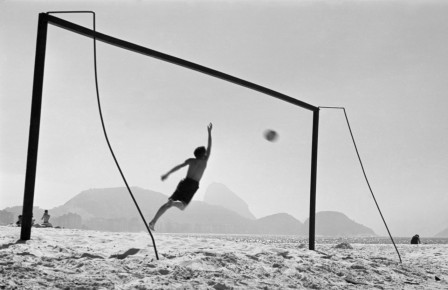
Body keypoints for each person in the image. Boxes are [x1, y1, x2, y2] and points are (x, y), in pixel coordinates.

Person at [148, 123, 213, 231]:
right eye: (205, 152)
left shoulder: (191, 160)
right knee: (182, 206)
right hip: (193, 185)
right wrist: (209, 133)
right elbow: (210, 147)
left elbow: (179, 167)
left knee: (167, 204)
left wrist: (167, 174)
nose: (206, 153)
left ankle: (153, 221)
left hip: (183, 182)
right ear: (203, 154)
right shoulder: (204, 161)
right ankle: (173, 203)